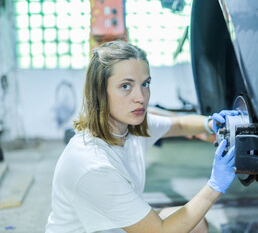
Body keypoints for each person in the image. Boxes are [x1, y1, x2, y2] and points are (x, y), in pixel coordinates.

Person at [45, 40, 239, 233]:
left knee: (196, 224)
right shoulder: (93, 164)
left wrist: (210, 123)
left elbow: (178, 124)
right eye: (125, 86)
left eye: (145, 84)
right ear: (100, 93)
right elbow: (160, 232)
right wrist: (215, 185)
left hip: (112, 227)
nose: (141, 97)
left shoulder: (130, 128)